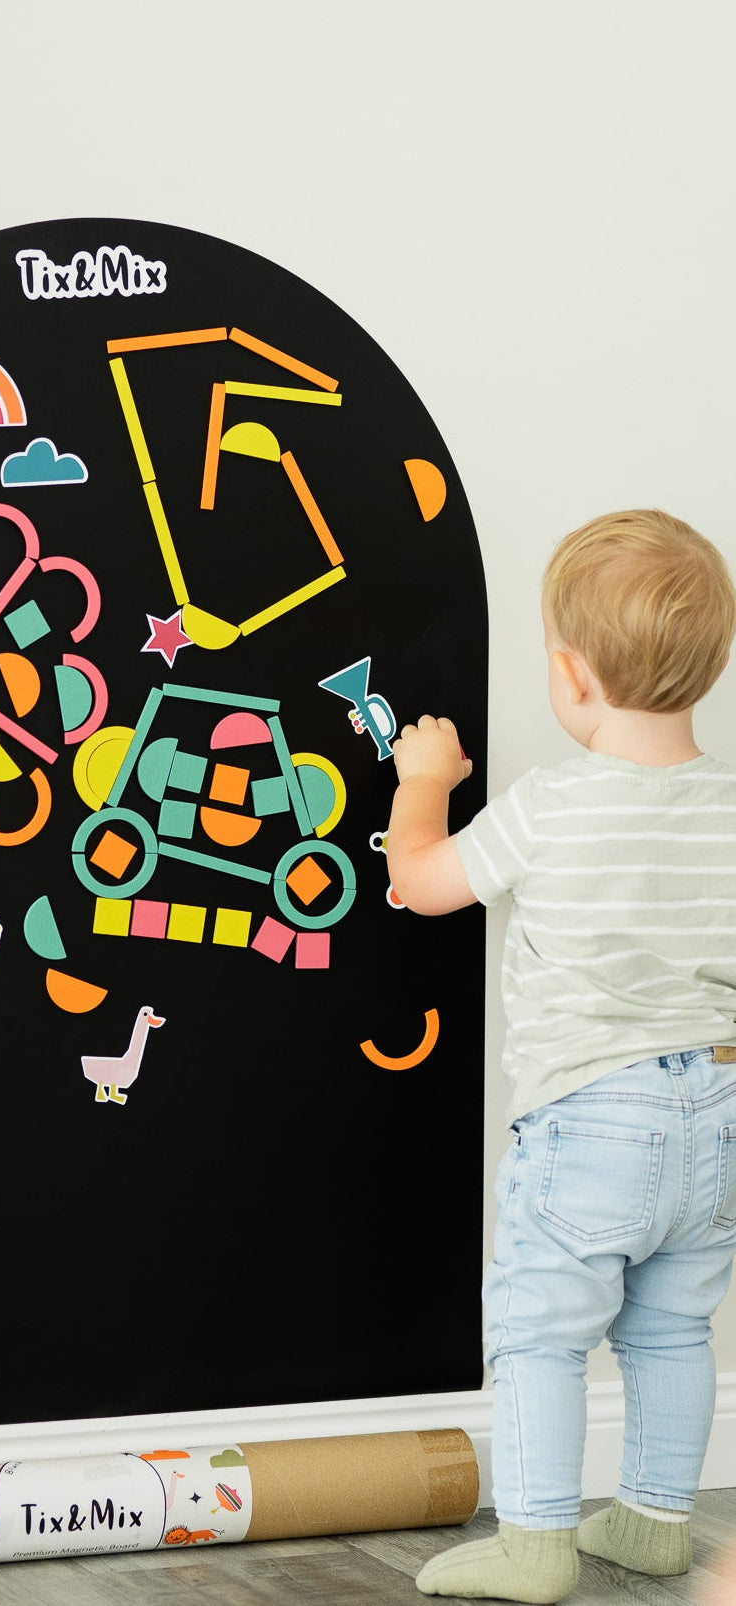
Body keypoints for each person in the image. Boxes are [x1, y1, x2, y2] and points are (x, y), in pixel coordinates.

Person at [386, 508, 736, 1604]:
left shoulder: (551, 804)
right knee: (673, 1330)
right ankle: (654, 1520)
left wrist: (424, 779)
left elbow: (420, 883)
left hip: (591, 1114)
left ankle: (534, 1540)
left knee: (539, 1332)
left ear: (570, 675)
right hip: (718, 1108)